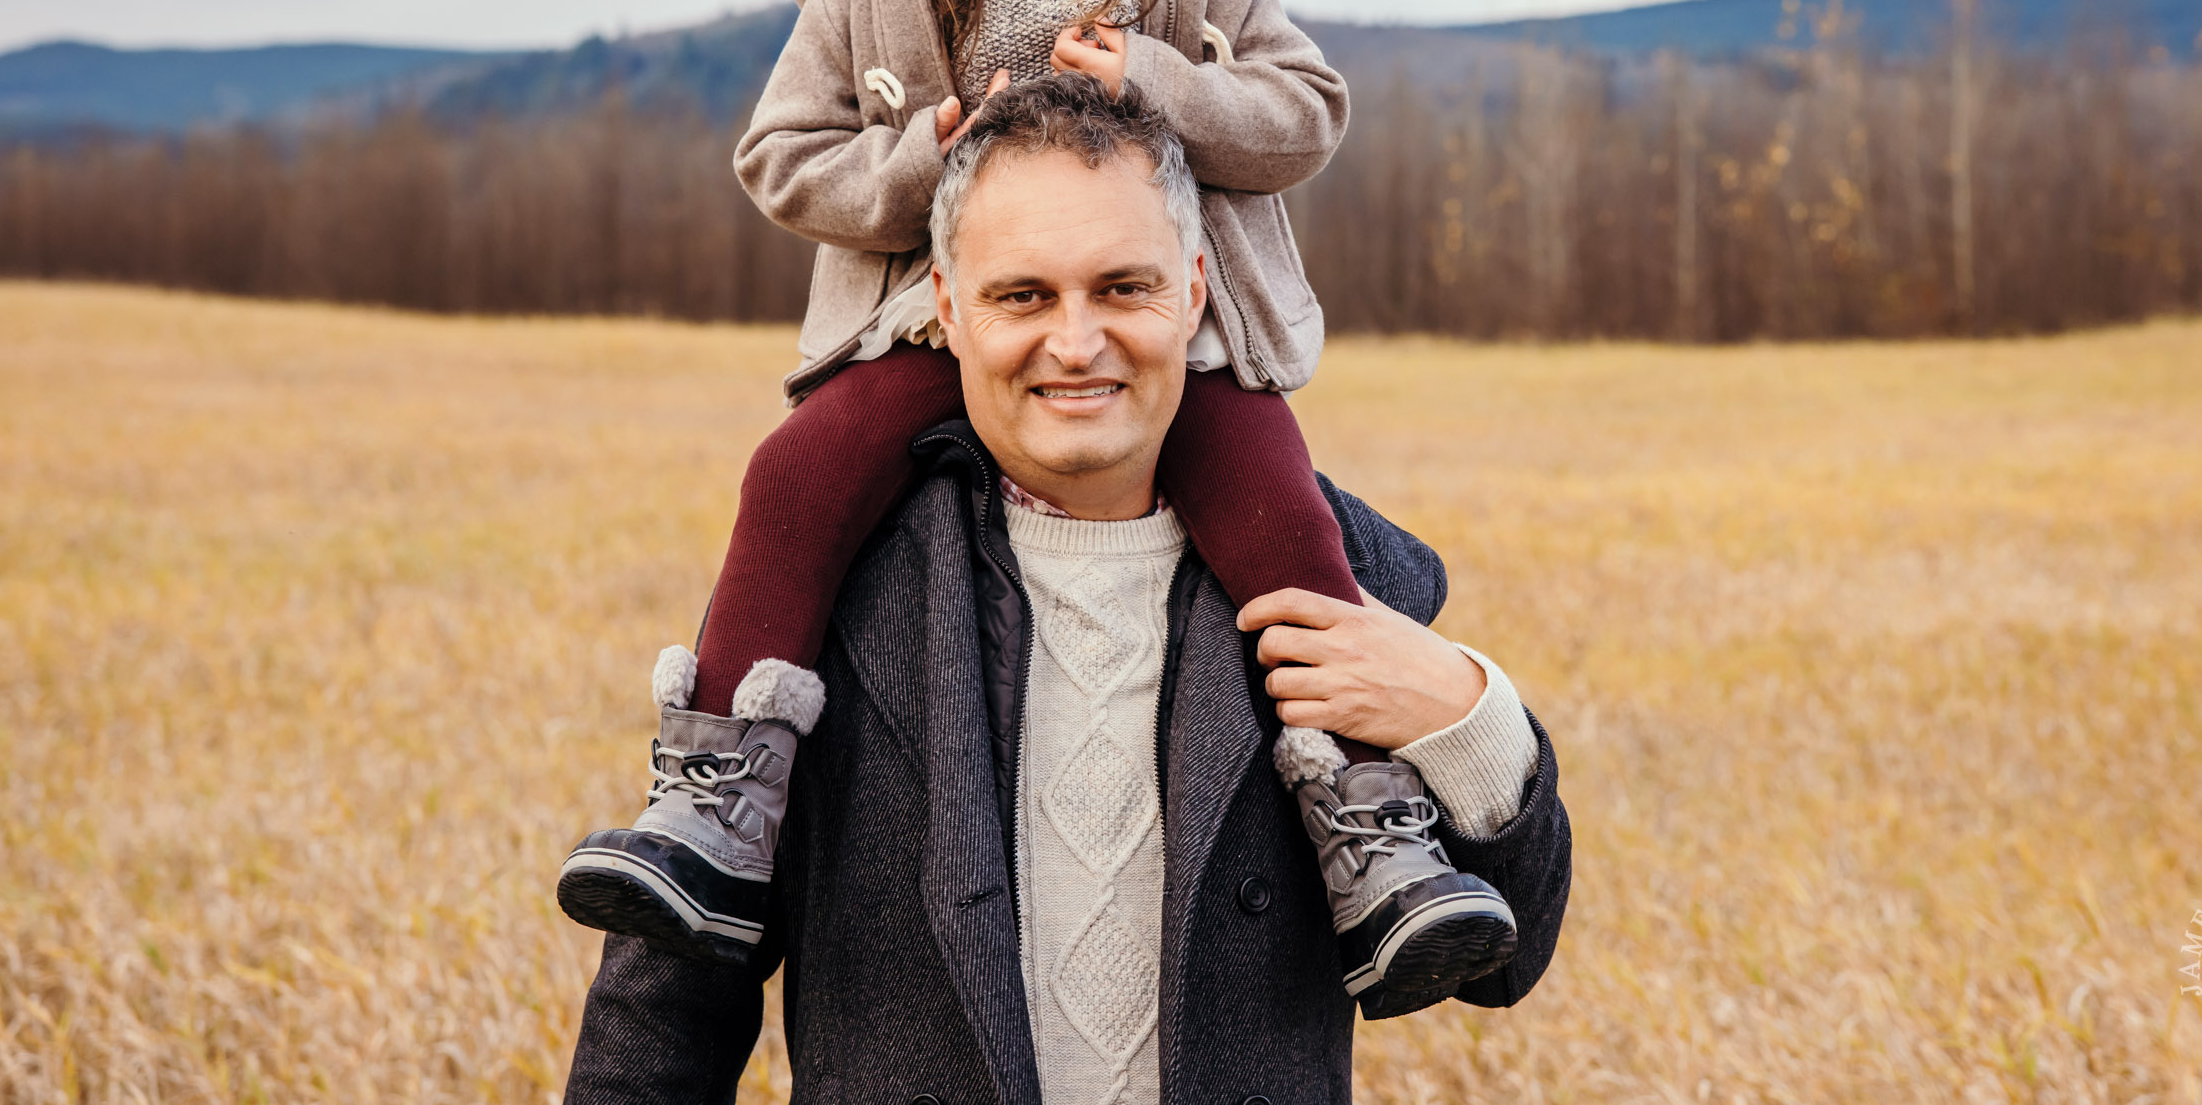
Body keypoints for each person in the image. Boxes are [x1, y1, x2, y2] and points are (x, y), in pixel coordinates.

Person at [556, 0, 1513, 1004]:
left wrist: (1160, 81)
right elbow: (777, 156)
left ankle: (1367, 831)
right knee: (795, 473)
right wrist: (929, 145)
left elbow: (1309, 109)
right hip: (928, 326)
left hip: (1168, 336)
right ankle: (717, 807)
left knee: (1280, 511)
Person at [562, 75, 1572, 1105]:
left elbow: (1503, 957)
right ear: (946, 310)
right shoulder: (832, 593)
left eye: (1123, 286)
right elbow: (667, 1002)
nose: (1077, 342)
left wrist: (1466, 710)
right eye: (1023, 294)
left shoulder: (1333, 574)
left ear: (1193, 293)